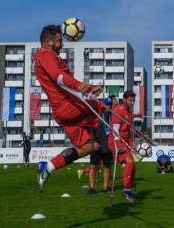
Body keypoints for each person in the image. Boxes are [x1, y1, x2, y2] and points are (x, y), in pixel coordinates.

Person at [34, 25, 103, 192]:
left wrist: (89, 88)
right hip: (67, 106)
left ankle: (48, 167)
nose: (61, 44)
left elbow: (66, 82)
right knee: (100, 107)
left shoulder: (48, 56)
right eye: (59, 41)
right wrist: (81, 86)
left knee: (92, 147)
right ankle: (116, 142)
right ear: (48, 42)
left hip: (66, 110)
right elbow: (58, 77)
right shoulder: (46, 54)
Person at [108, 90, 142, 203]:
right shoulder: (118, 111)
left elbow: (128, 132)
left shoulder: (129, 113)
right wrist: (118, 146)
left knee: (132, 167)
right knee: (129, 161)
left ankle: (128, 191)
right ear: (124, 100)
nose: (132, 102)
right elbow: (115, 130)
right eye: (130, 100)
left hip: (125, 142)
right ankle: (126, 190)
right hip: (115, 142)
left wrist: (132, 145)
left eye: (133, 100)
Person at [88, 109, 113, 195]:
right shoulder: (94, 114)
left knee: (107, 166)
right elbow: (90, 129)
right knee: (93, 166)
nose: (108, 107)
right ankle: (91, 188)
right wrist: (93, 141)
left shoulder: (112, 115)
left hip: (107, 144)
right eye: (107, 105)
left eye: (110, 105)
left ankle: (105, 187)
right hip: (96, 144)